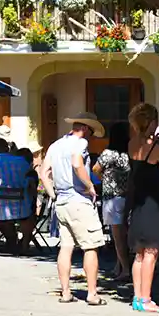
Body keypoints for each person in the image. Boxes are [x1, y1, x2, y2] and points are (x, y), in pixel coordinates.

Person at [41, 112, 106, 306]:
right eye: (91, 132)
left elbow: (44, 173)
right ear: (85, 128)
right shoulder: (80, 144)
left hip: (61, 201)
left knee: (66, 247)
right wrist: (89, 186)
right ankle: (92, 293)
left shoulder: (55, 145)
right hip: (79, 200)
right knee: (90, 245)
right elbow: (77, 163)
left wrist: (53, 195)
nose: (91, 137)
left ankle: (66, 292)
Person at [127, 103, 159, 313]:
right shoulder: (157, 148)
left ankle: (137, 297)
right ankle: (146, 299)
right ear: (152, 122)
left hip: (138, 201)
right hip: (154, 202)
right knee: (152, 252)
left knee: (139, 253)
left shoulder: (131, 144)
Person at [93, 121, 131, 281]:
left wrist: (104, 179)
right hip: (127, 196)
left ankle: (126, 270)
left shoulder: (109, 153)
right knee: (125, 235)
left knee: (117, 237)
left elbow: (96, 168)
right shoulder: (130, 152)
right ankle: (119, 266)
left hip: (112, 198)